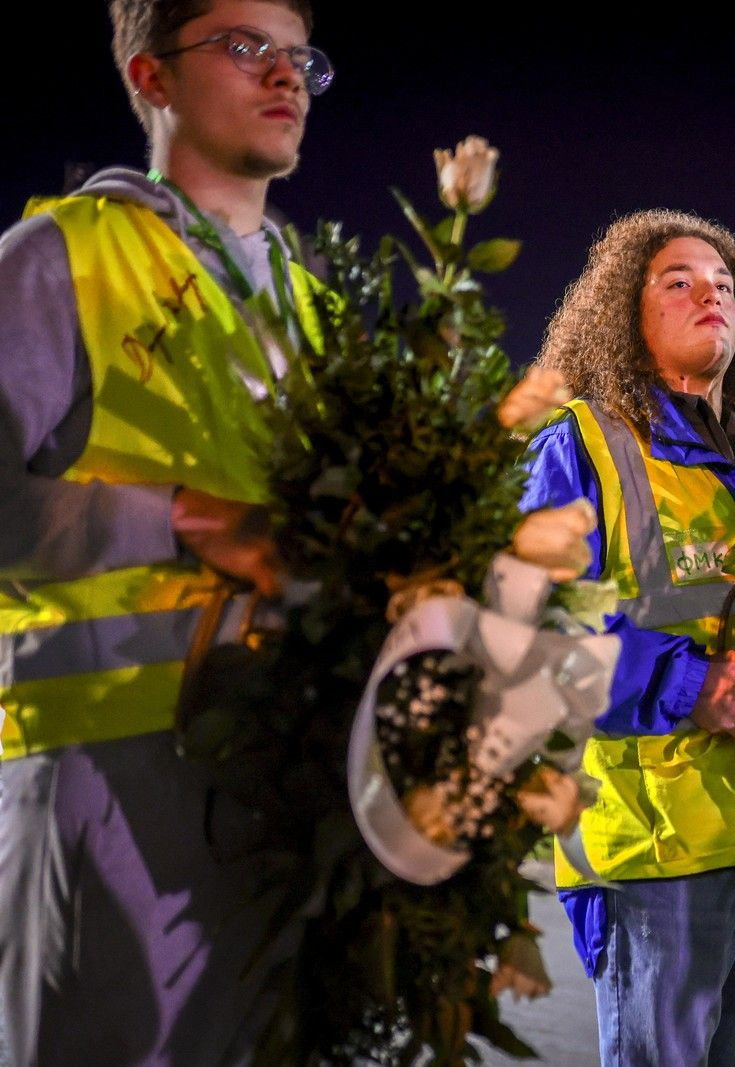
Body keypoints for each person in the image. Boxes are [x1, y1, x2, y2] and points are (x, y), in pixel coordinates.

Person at [0, 2, 329, 1062]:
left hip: (290, 791)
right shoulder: (61, 256)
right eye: (243, 47)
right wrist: (177, 516)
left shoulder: (318, 312)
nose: (283, 75)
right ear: (150, 77)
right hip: (106, 783)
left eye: (298, 56)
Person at [522, 210, 735, 1067]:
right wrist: (691, 685)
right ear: (625, 314)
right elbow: (538, 626)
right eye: (677, 281)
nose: (708, 295)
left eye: (724, 285)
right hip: (656, 853)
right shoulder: (582, 443)